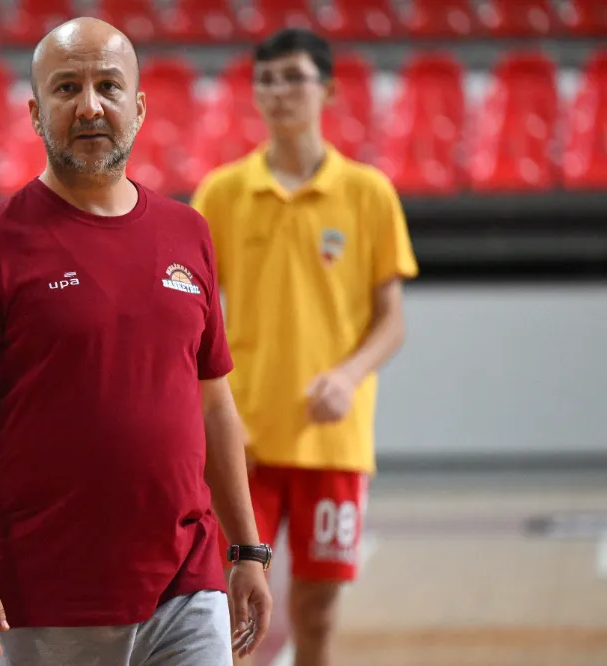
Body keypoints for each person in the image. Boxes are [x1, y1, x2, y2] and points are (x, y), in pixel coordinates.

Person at [0, 17, 273, 666]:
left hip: (186, 586)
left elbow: (213, 404)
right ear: (35, 114)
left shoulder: (188, 233)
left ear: (139, 107)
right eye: (66, 88)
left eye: (109, 86)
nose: (89, 106)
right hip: (42, 594)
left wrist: (246, 548)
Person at [190, 28, 419, 666]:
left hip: (332, 442)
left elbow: (391, 320)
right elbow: (191, 310)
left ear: (329, 89)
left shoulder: (369, 193)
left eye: (293, 77)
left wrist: (348, 376)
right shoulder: (222, 193)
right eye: (265, 80)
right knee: (228, 607)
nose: (278, 92)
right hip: (243, 442)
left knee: (316, 610)